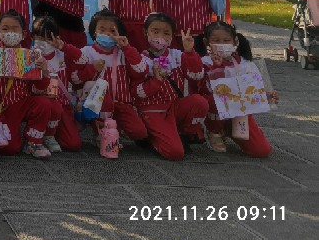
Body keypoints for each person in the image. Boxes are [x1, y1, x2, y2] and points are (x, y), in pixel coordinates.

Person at [0, 10, 59, 158]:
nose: (10, 33)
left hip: (23, 103)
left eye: (15, 29)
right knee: (8, 149)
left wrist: (43, 72)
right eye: (5, 29)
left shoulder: (31, 55)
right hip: (2, 107)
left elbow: (39, 88)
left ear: (23, 33)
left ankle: (33, 142)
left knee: (43, 103)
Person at [72, 9, 151, 155]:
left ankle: (117, 129)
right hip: (96, 103)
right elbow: (75, 78)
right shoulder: (87, 52)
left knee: (139, 132)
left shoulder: (123, 53)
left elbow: (142, 70)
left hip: (122, 103)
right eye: (102, 29)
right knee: (105, 101)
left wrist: (127, 47)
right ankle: (100, 132)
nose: (107, 34)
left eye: (112, 30)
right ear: (94, 32)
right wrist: (92, 69)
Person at [132, 13, 208, 161]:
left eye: (166, 33)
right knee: (175, 153)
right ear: (145, 32)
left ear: (172, 36)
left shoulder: (177, 55)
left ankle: (184, 134)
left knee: (200, 102)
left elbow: (196, 75)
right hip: (153, 110)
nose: (160, 37)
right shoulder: (141, 60)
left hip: (174, 106)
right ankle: (151, 137)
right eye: (155, 31)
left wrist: (190, 52)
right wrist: (156, 80)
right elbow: (137, 93)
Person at [196, 21, 275, 158]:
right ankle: (214, 130)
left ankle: (231, 129)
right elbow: (203, 89)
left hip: (240, 113)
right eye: (216, 41)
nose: (222, 44)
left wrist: (267, 96)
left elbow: (255, 89)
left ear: (235, 41)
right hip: (215, 112)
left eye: (226, 40)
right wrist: (217, 67)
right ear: (206, 42)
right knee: (215, 98)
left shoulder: (246, 64)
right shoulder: (203, 62)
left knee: (261, 150)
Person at [31, 15, 83, 153]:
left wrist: (63, 46)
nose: (43, 42)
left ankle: (52, 134)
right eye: (39, 37)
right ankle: (40, 136)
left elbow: (82, 58)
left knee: (72, 144)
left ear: (56, 38)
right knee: (45, 107)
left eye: (47, 38)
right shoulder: (29, 56)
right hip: (42, 106)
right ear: (33, 37)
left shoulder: (62, 54)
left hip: (63, 105)